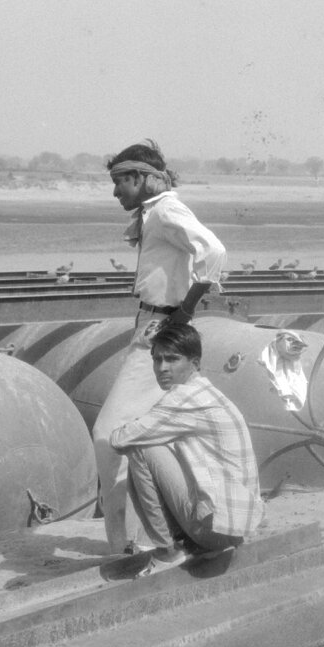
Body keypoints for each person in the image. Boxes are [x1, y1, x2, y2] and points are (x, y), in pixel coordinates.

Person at [93, 140, 226, 552]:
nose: (116, 193)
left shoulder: (166, 211)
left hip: (159, 326)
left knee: (109, 433)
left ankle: (124, 543)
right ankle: (151, 533)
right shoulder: (154, 213)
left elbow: (214, 250)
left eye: (120, 182)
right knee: (152, 433)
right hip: (152, 322)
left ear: (140, 178)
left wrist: (182, 313)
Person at [109, 322, 263, 575]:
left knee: (139, 448)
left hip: (216, 532)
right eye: (157, 360)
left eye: (172, 359)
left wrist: (128, 423)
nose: (162, 368)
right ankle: (185, 541)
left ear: (195, 362)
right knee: (156, 444)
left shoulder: (184, 397)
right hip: (236, 527)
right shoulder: (207, 391)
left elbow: (119, 439)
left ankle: (166, 552)